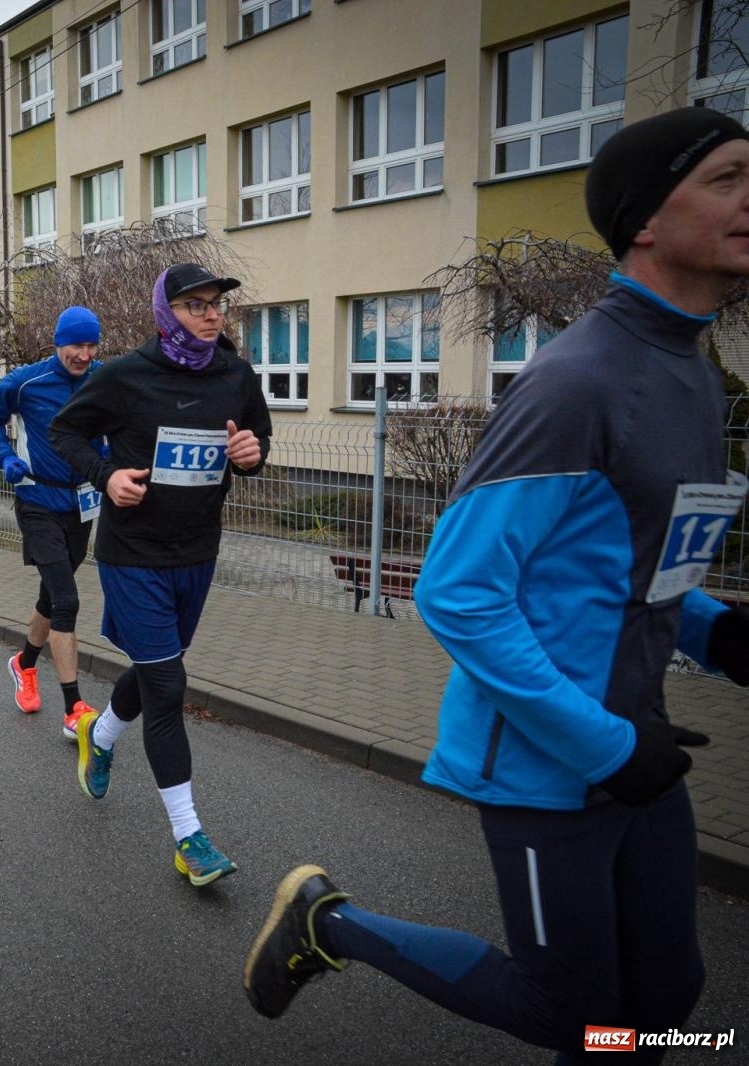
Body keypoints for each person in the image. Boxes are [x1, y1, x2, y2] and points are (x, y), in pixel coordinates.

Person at [242, 107, 749, 1059]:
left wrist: (713, 630)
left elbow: (628, 561)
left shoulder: (695, 378)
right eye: (727, 178)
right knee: (579, 1015)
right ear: (645, 218)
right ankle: (328, 924)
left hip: (638, 736)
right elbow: (458, 591)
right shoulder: (577, 382)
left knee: (668, 998)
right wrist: (604, 744)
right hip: (551, 757)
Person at [49, 263, 271, 887]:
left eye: (215, 306)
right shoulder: (126, 376)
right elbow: (64, 432)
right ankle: (189, 837)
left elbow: (259, 439)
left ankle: (101, 732)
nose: (209, 315)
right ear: (164, 311)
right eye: (194, 305)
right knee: (169, 686)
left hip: (196, 552)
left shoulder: (235, 375)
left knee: (156, 669)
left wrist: (252, 456)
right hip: (133, 553)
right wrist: (105, 476)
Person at [0, 305, 107, 739]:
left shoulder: (104, 379)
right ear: (58, 343)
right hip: (36, 496)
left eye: (91, 345)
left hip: (82, 502)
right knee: (67, 601)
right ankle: (74, 710)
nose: (84, 354)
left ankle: (24, 663)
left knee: (51, 596)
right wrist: (6, 457)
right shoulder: (25, 382)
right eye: (76, 345)